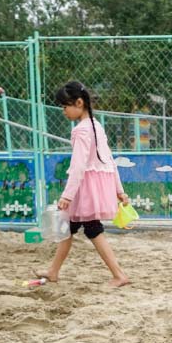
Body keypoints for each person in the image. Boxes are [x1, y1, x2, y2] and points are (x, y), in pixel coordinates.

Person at [34, 81, 130, 288]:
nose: (63, 111)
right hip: (94, 186)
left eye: (65, 106)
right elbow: (109, 161)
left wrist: (67, 195)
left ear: (79, 102)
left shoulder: (81, 131)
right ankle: (53, 271)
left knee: (92, 229)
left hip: (85, 189)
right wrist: (119, 190)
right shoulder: (97, 126)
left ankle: (119, 275)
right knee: (68, 227)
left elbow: (78, 166)